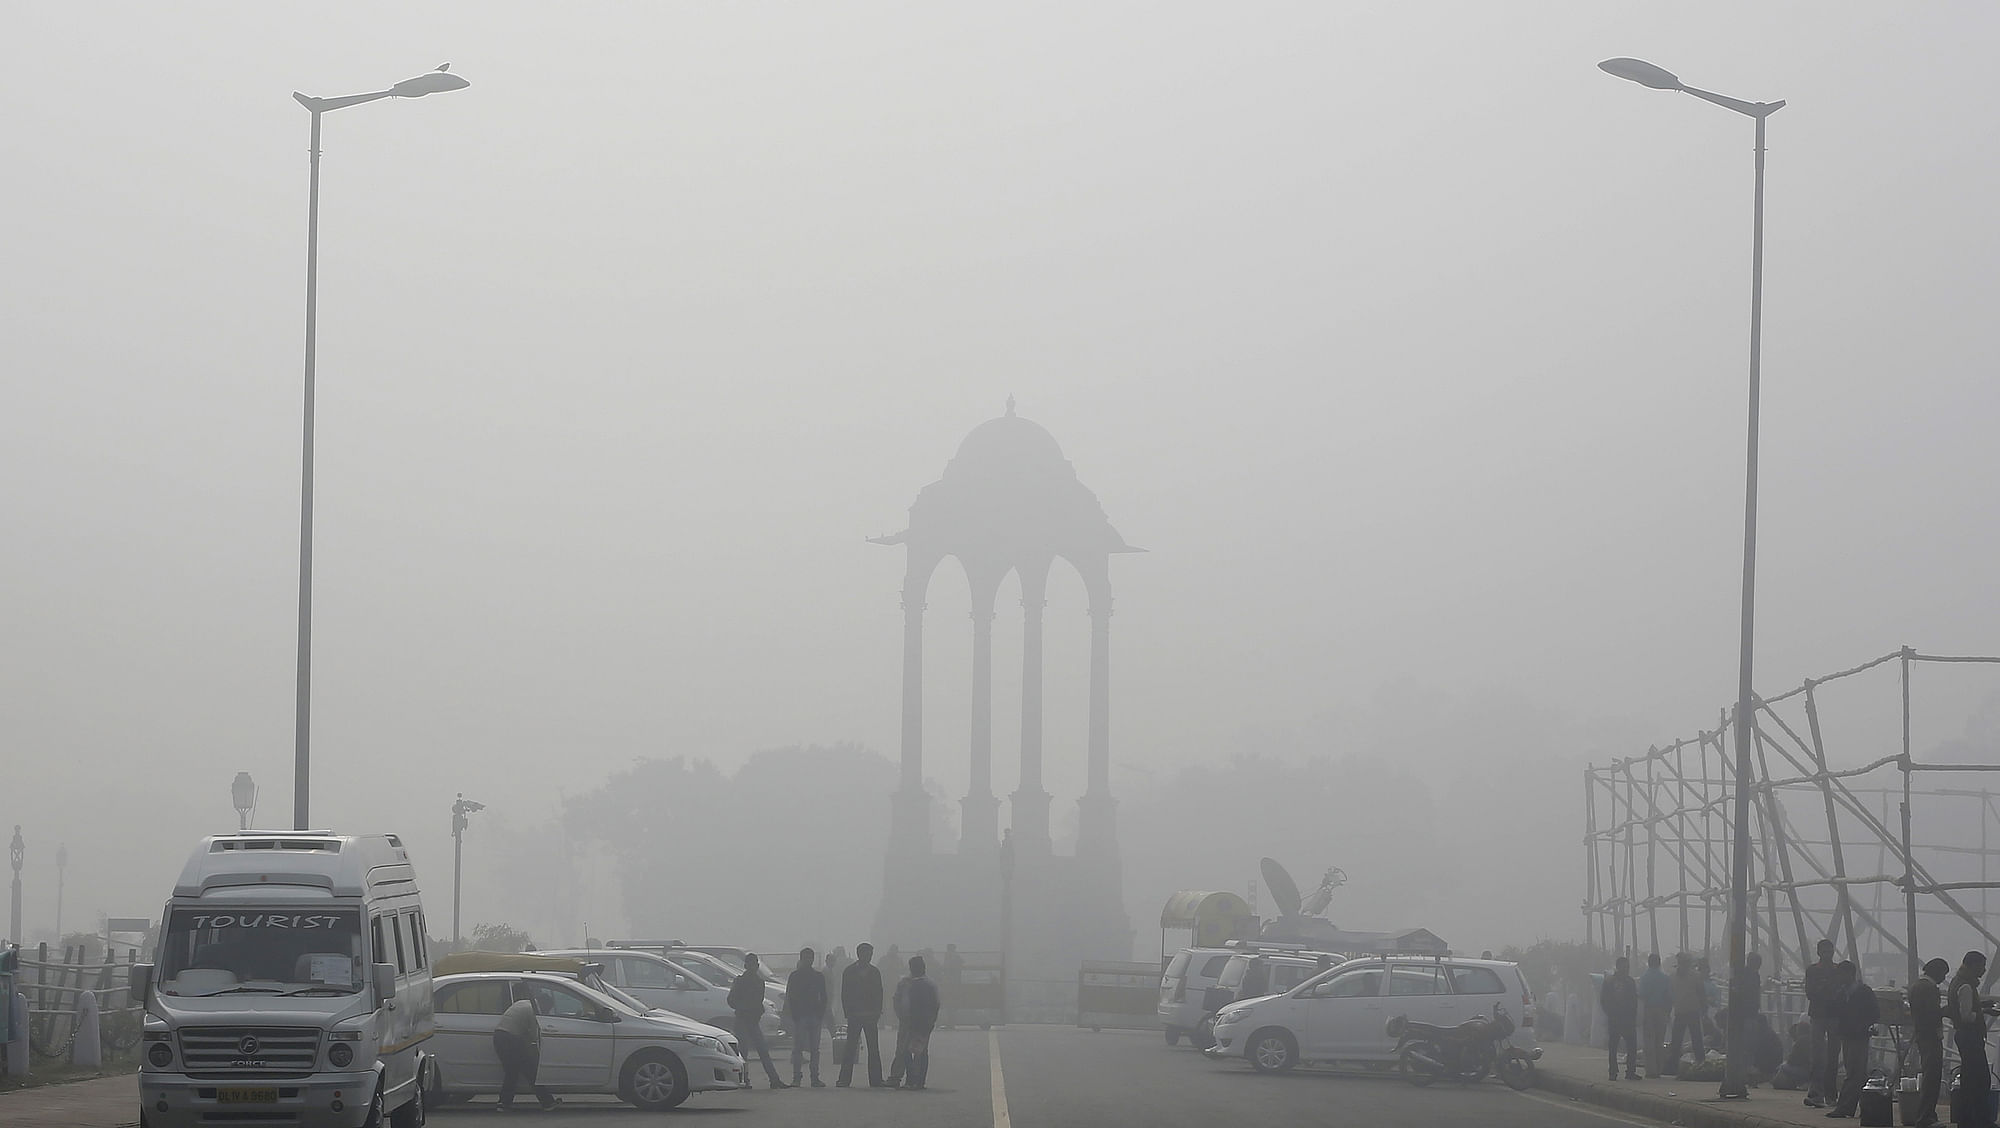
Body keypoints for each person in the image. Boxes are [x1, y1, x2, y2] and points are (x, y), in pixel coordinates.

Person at [1826, 961, 1878, 1118]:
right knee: (1856, 1071)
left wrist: (1864, 1026)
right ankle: (1868, 1107)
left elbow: (1874, 1012)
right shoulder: (1841, 993)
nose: (1840, 977)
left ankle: (1845, 1107)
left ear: (1850, 974)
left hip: (1859, 1035)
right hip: (1847, 1035)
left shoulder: (1863, 992)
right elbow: (1834, 1011)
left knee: (1854, 1072)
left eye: (1842, 974)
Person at [729, 952, 788, 1089]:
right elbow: (731, 1000)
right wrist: (745, 1008)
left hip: (750, 1020)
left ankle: (770, 1080)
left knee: (756, 1052)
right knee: (746, 1053)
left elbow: (755, 1001)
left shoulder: (755, 982)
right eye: (751, 964)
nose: (753, 967)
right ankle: (748, 1080)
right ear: (746, 965)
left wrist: (752, 1010)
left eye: (755, 964)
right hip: (744, 1019)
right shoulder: (744, 981)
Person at [493, 993, 560, 1112]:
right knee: (531, 1072)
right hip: (511, 1039)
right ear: (544, 1004)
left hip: (499, 1037)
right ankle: (547, 1102)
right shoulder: (533, 1010)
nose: (546, 1011)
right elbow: (533, 1038)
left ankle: (504, 1103)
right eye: (547, 1009)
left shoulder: (522, 1002)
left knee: (512, 1072)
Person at [1950, 951, 1995, 1128]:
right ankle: (1980, 1119)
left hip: (1963, 1035)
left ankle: (1967, 1118)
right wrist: (1984, 1012)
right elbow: (1966, 1015)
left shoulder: (1957, 982)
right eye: (1981, 966)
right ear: (1971, 965)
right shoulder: (1967, 986)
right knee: (1980, 1078)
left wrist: (1981, 1005)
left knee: (1970, 1078)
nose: (1984, 970)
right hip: (1970, 1035)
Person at [838, 942, 887, 1088]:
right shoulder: (849, 972)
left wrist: (878, 1011)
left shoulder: (874, 972)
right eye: (867, 953)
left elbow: (879, 993)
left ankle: (876, 1080)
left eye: (870, 954)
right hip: (855, 1015)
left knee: (873, 1048)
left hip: (871, 1015)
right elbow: (845, 993)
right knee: (850, 1048)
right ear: (859, 954)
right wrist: (848, 1012)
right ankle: (844, 1080)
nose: (869, 956)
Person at [1907, 957, 1949, 1128]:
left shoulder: (1916, 985)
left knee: (1929, 1075)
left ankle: (1928, 1115)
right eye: (1943, 974)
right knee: (1932, 1077)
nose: (1943, 978)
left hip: (1921, 1034)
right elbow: (1932, 1013)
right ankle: (1926, 1117)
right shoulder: (1929, 988)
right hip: (1931, 1035)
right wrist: (1946, 1011)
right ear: (1937, 972)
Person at [1804, 938, 1840, 1108]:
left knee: (1833, 1056)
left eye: (1830, 951)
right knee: (1817, 1056)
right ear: (1819, 953)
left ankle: (1831, 1095)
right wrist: (1823, 989)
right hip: (1818, 1016)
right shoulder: (1812, 971)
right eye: (1824, 951)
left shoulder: (1838, 970)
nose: (1828, 954)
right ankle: (1815, 1094)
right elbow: (1810, 993)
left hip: (1834, 1016)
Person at [786, 947, 830, 1087]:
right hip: (803, 1016)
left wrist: (819, 1014)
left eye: (809, 958)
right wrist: (796, 1015)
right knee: (801, 1048)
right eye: (806, 958)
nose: (808, 960)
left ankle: (810, 1078)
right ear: (802, 959)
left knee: (812, 1049)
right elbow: (790, 997)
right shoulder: (810, 976)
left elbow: (824, 997)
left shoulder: (812, 976)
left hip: (811, 1016)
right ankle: (801, 1078)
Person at [901, 955, 942, 1091]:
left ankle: (912, 1078)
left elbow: (905, 1004)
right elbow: (936, 1004)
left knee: (907, 1050)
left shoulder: (910, 984)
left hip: (913, 1021)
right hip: (925, 1022)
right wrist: (932, 1020)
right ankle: (919, 1081)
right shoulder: (930, 984)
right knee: (921, 1051)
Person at [1666, 953, 1707, 1075]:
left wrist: (1703, 1009)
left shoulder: (1695, 976)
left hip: (1692, 1011)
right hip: (1681, 1012)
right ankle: (1673, 1066)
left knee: (1696, 1040)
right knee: (1677, 1041)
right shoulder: (1673, 977)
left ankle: (1700, 1064)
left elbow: (1701, 994)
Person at [1601, 956, 1641, 1080]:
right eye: (1624, 966)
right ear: (1618, 967)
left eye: (1627, 967)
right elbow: (1603, 1001)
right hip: (1616, 1018)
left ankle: (1629, 1071)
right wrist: (1610, 1013)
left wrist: (1633, 1016)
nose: (1626, 969)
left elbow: (1634, 1001)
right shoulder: (1610, 981)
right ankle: (1613, 1072)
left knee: (1631, 1047)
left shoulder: (1629, 981)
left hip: (1627, 1019)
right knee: (1614, 1046)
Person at [1639, 952, 1673, 1078]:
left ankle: (1651, 1070)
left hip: (1649, 1010)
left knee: (1649, 1040)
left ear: (1649, 963)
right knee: (1660, 1040)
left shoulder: (1644, 977)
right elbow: (1669, 996)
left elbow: (1641, 994)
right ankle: (1659, 1069)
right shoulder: (1665, 978)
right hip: (1662, 1010)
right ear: (1659, 963)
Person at [887, 960, 915, 1087]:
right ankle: (908, 1078)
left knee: (905, 1049)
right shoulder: (908, 983)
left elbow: (896, 1000)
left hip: (910, 1019)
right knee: (904, 1049)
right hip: (908, 1019)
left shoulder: (906, 983)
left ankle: (900, 1077)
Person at [1773, 1021, 1815, 1090]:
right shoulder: (1814, 1039)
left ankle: (1778, 1082)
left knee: (1782, 1067)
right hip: (1815, 1070)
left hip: (1806, 1071)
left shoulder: (1801, 1041)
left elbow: (1791, 1060)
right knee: (1783, 1067)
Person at [940, 943, 965, 1029]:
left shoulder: (949, 956)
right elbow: (962, 963)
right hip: (956, 982)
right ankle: (951, 1022)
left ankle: (950, 1022)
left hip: (950, 983)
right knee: (952, 1003)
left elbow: (946, 967)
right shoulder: (957, 956)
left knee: (949, 1002)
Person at [824, 947, 848, 1029]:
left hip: (833, 992)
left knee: (834, 1008)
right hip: (833, 992)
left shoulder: (827, 970)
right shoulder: (827, 971)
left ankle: (833, 1027)